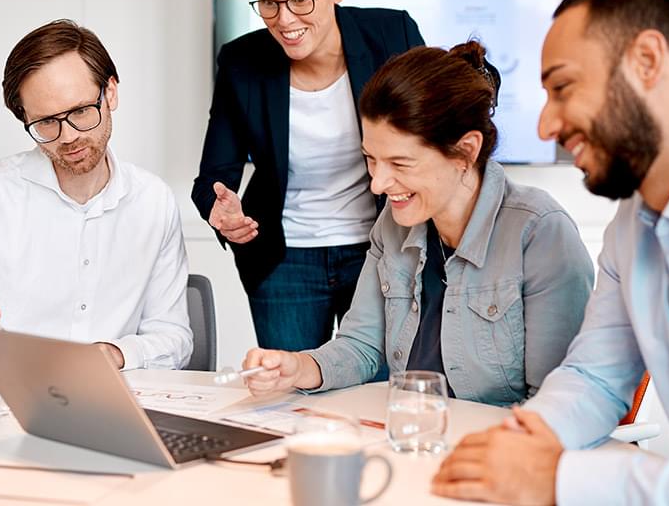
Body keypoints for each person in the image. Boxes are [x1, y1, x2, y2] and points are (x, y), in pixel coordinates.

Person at [432, 0, 669, 506]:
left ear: (648, 60)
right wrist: (516, 446)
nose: (546, 125)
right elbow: (596, 376)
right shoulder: (632, 230)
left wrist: (555, 480)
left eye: (563, 87)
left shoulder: (540, 224)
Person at [242, 42, 594, 405]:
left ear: (466, 151)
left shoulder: (539, 233)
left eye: (400, 164)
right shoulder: (392, 226)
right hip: (414, 436)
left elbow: (557, 401)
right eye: (371, 160)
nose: (378, 184)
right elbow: (361, 347)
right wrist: (297, 366)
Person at [0, 19, 193, 370]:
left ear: (110, 92)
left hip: (111, 407)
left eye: (81, 111)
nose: (68, 137)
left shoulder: (153, 201)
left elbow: (174, 337)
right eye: (46, 122)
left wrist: (113, 354)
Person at [191, 0, 424, 351]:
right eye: (268, 3)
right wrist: (219, 211)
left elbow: (439, 129)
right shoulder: (242, 62)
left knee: (378, 393)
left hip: (383, 247)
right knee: (292, 402)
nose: (283, 20)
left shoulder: (392, 35)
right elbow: (211, 179)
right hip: (284, 262)